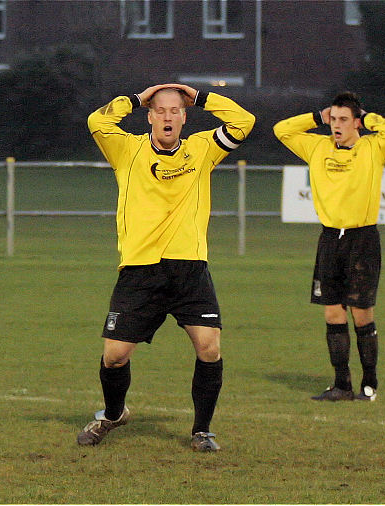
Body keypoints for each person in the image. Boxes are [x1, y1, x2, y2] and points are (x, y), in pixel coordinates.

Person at [79, 83, 255, 451]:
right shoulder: (127, 150)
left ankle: (202, 431)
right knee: (114, 356)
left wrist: (201, 95)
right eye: (160, 110)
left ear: (185, 116)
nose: (168, 117)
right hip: (140, 270)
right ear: (150, 117)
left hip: (189, 267)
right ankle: (113, 415)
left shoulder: (202, 149)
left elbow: (243, 121)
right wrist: (137, 97)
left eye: (175, 110)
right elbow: (98, 121)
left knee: (209, 347)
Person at [273, 92, 385, 402]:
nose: (336, 125)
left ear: (356, 122)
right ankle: (342, 385)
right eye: (334, 120)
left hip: (362, 239)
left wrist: (367, 117)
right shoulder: (318, 147)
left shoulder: (373, 147)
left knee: (361, 314)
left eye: (343, 120)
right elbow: (282, 130)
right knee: (332, 313)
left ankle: (369, 384)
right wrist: (318, 116)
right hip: (330, 239)